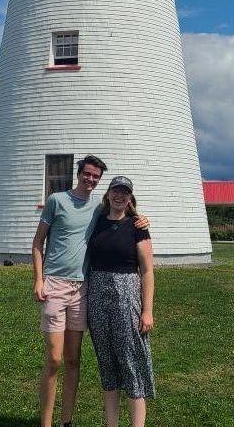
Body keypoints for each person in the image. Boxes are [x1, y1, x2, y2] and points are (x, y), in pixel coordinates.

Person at [32, 156, 149, 427]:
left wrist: (141, 218)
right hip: (55, 284)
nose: (91, 179)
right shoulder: (56, 200)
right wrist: (39, 279)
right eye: (87, 174)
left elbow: (121, 213)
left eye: (96, 176)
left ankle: (66, 422)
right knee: (54, 359)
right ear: (78, 173)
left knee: (73, 360)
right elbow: (38, 242)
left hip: (82, 287)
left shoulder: (98, 207)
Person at [87, 176, 155, 427]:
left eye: (124, 192)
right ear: (108, 194)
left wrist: (147, 311)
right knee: (107, 365)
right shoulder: (96, 221)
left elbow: (147, 271)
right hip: (97, 296)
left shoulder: (137, 226)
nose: (119, 196)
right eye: (115, 191)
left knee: (131, 362)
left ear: (130, 197)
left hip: (126, 296)